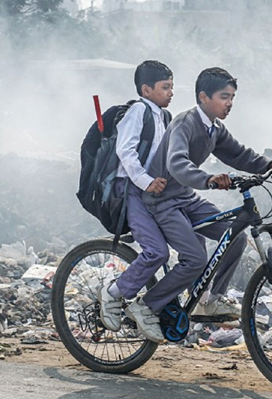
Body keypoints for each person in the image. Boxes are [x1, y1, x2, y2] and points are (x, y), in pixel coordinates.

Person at [139, 67, 272, 328]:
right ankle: (146, 306)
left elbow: (239, 154)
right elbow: (176, 163)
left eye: (232, 97)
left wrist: (269, 165)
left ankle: (211, 299)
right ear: (203, 97)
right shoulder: (184, 122)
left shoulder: (214, 128)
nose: (230, 103)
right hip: (162, 201)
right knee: (195, 259)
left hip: (185, 198)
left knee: (236, 237)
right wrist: (208, 179)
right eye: (224, 96)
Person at [98, 60, 174, 343]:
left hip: (155, 193)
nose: (171, 93)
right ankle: (114, 293)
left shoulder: (164, 117)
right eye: (165, 87)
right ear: (146, 89)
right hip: (132, 190)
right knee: (156, 252)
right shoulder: (139, 111)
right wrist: (145, 181)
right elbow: (125, 152)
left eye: (171, 87)